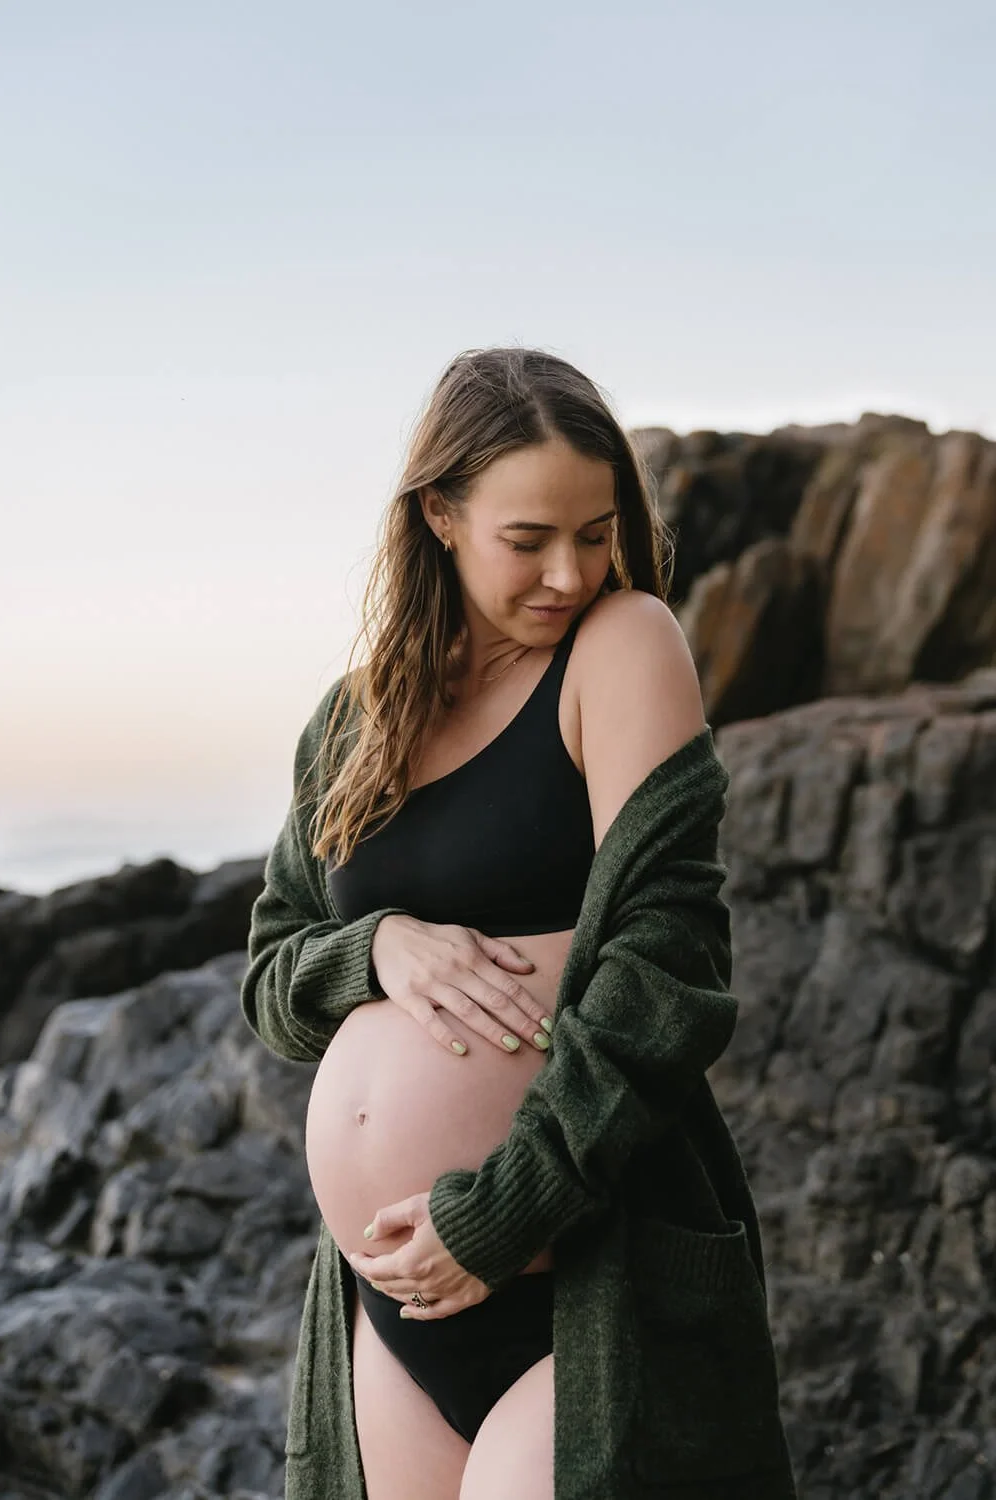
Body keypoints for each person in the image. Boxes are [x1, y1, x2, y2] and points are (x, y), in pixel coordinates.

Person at [240, 346, 798, 1500]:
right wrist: (375, 946)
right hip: (389, 1311)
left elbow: (668, 966)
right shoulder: (353, 722)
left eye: (594, 533)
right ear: (439, 515)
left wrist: (499, 1213)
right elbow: (272, 978)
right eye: (527, 539)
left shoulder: (623, 643)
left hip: (576, 1269)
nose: (569, 572)